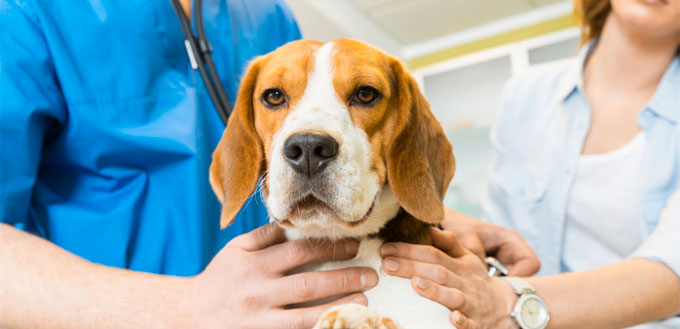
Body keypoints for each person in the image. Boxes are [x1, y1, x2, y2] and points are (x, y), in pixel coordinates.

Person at [0, 0, 538, 328]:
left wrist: (428, 209)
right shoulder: (23, 11)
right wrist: (185, 309)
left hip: (301, 298)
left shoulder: (266, 11)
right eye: (277, 98)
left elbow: (336, 144)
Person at [380, 0, 680, 328]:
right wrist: (455, 226)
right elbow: (503, 238)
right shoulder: (527, 95)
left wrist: (509, 301)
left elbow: (672, 272)